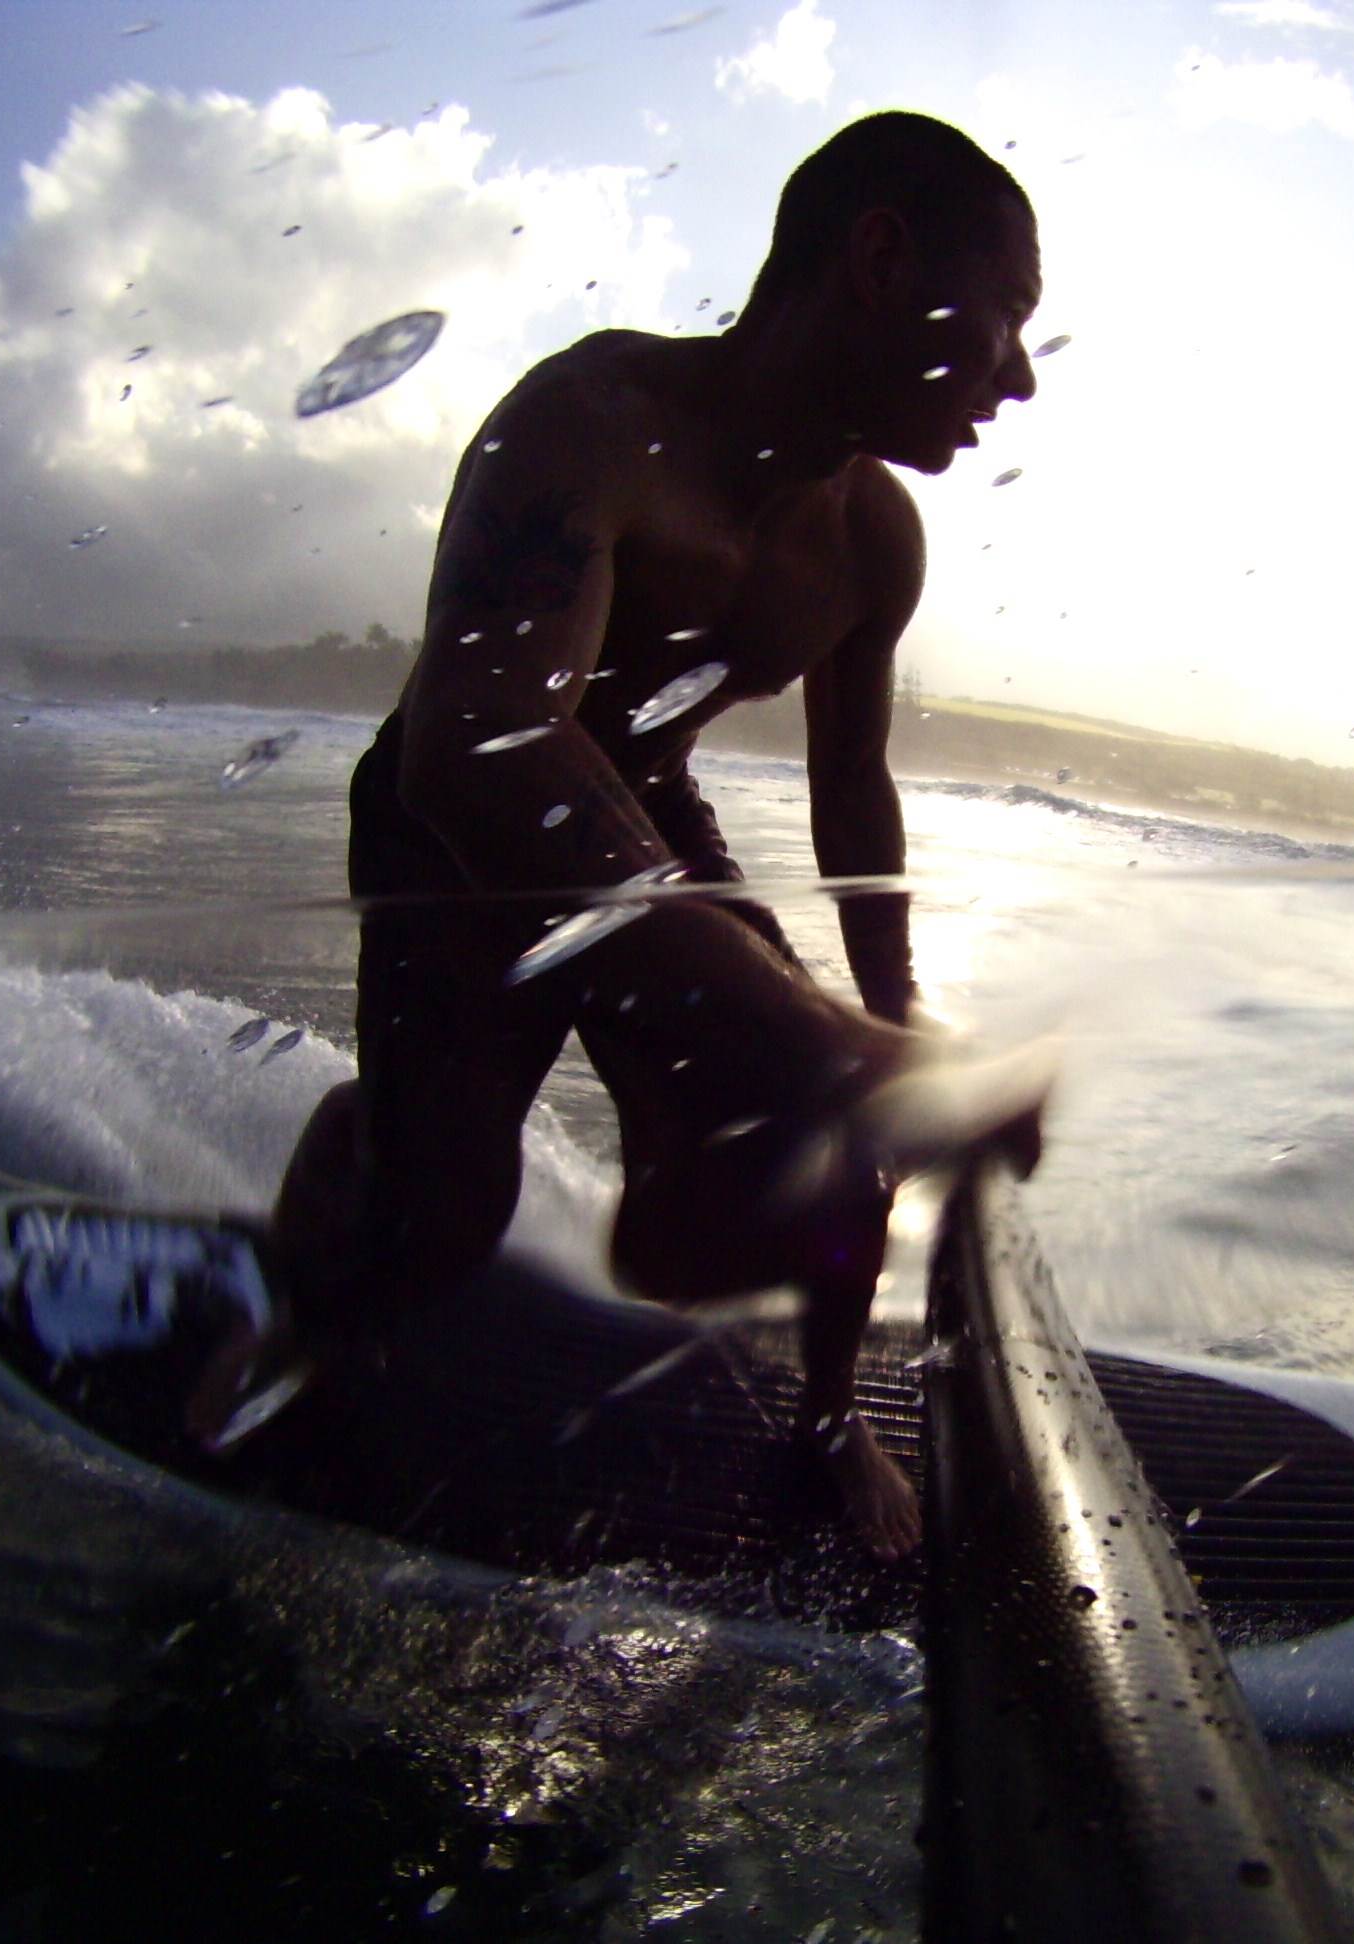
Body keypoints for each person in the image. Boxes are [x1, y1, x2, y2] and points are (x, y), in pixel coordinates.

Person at [260, 112, 1046, 1560]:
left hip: (651, 811)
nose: (1020, 375)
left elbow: (853, 786)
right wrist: (813, 1041)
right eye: (1008, 314)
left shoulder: (875, 540)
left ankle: (828, 1419)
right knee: (441, 1221)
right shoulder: (596, 421)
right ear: (881, 259)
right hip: (452, 830)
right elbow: (477, 740)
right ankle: (330, 1240)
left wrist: (885, 1019)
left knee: (835, 1146)